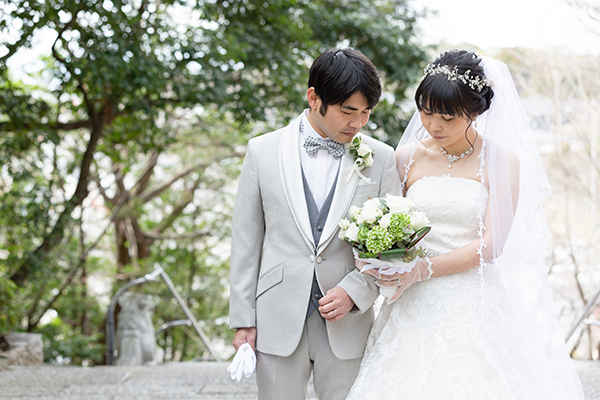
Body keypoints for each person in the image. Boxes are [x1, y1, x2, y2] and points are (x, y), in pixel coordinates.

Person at [346, 50, 585, 399]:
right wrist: (387, 261)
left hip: (471, 299)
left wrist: (424, 269)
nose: (434, 125)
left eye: (447, 117)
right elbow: (390, 223)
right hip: (410, 301)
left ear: (474, 112)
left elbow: (491, 244)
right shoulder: (406, 157)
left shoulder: (501, 161)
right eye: (427, 112)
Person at [228, 47, 401, 400]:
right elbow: (246, 241)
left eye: (366, 113)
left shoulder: (381, 158)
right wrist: (243, 319)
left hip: (348, 322)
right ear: (313, 98)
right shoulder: (262, 151)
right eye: (348, 111)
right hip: (276, 317)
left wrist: (354, 292)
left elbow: (393, 247)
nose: (358, 124)